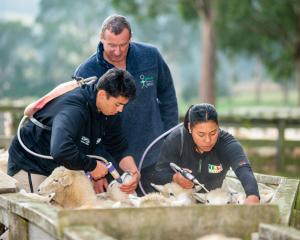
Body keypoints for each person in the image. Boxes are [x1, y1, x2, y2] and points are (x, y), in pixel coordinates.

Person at [74, 14, 179, 194]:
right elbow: (83, 126)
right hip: (110, 163)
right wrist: (95, 174)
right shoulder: (86, 72)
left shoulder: (151, 57)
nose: (117, 51)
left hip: (154, 154)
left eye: (123, 45)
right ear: (101, 39)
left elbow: (168, 96)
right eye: (112, 45)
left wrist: (168, 140)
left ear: (131, 38)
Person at [7, 68, 140, 194]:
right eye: (117, 104)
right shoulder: (74, 109)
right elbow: (61, 150)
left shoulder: (110, 112)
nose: (120, 110)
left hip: (62, 165)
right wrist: (92, 166)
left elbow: (117, 146)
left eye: (123, 105)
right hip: (32, 162)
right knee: (40, 211)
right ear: (102, 94)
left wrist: (133, 171)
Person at [154, 103, 260, 204]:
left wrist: (252, 196)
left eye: (213, 133)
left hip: (215, 202)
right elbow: (157, 175)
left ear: (218, 126)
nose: (208, 140)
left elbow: (243, 168)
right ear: (190, 127)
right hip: (180, 204)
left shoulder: (226, 143)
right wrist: (174, 178)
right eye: (201, 134)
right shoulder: (177, 140)